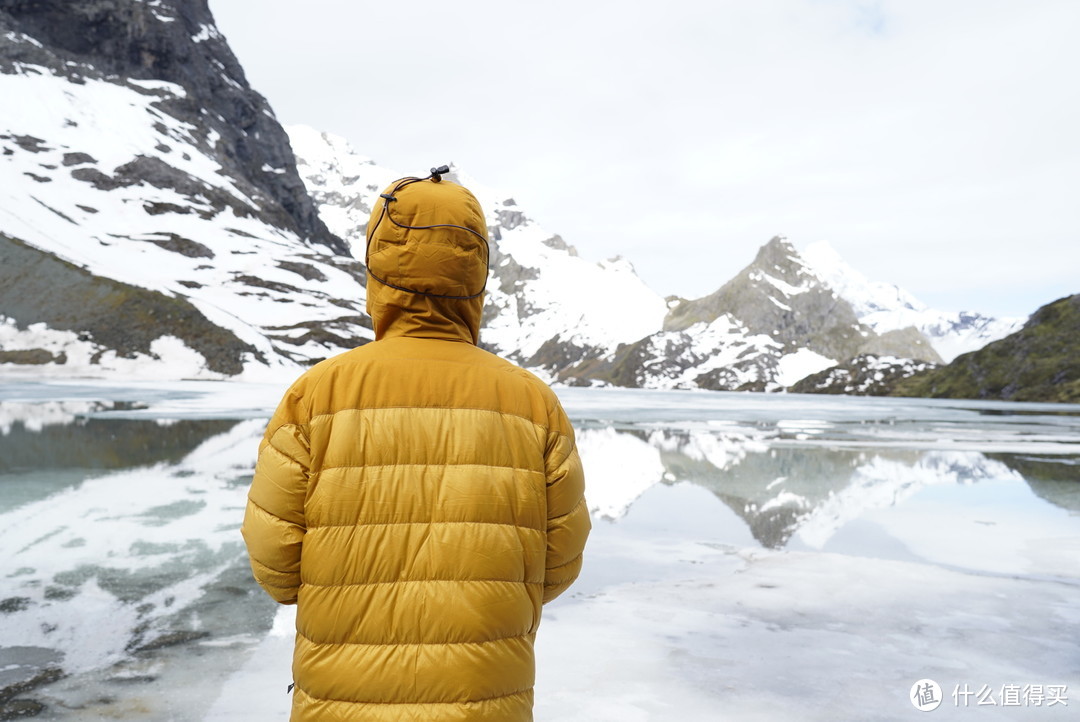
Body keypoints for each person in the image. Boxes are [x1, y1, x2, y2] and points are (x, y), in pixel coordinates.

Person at [241, 168, 591, 721]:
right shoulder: (532, 404)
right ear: (475, 273)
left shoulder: (316, 396)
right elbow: (559, 564)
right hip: (484, 701)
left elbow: (276, 563)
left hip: (342, 701)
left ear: (378, 268)